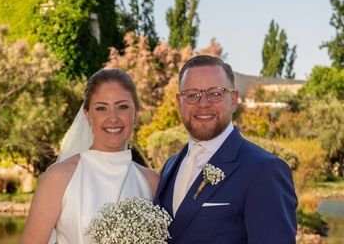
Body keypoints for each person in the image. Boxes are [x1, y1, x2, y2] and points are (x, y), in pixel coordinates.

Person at [154, 55, 298, 243]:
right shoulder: (170, 166)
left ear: (233, 100)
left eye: (215, 93)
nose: (203, 103)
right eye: (192, 95)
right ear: (179, 102)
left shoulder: (264, 170)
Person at [21, 68, 159, 244]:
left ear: (136, 113)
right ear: (87, 114)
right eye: (101, 108)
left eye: (122, 107)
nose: (113, 118)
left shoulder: (152, 182)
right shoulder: (59, 177)